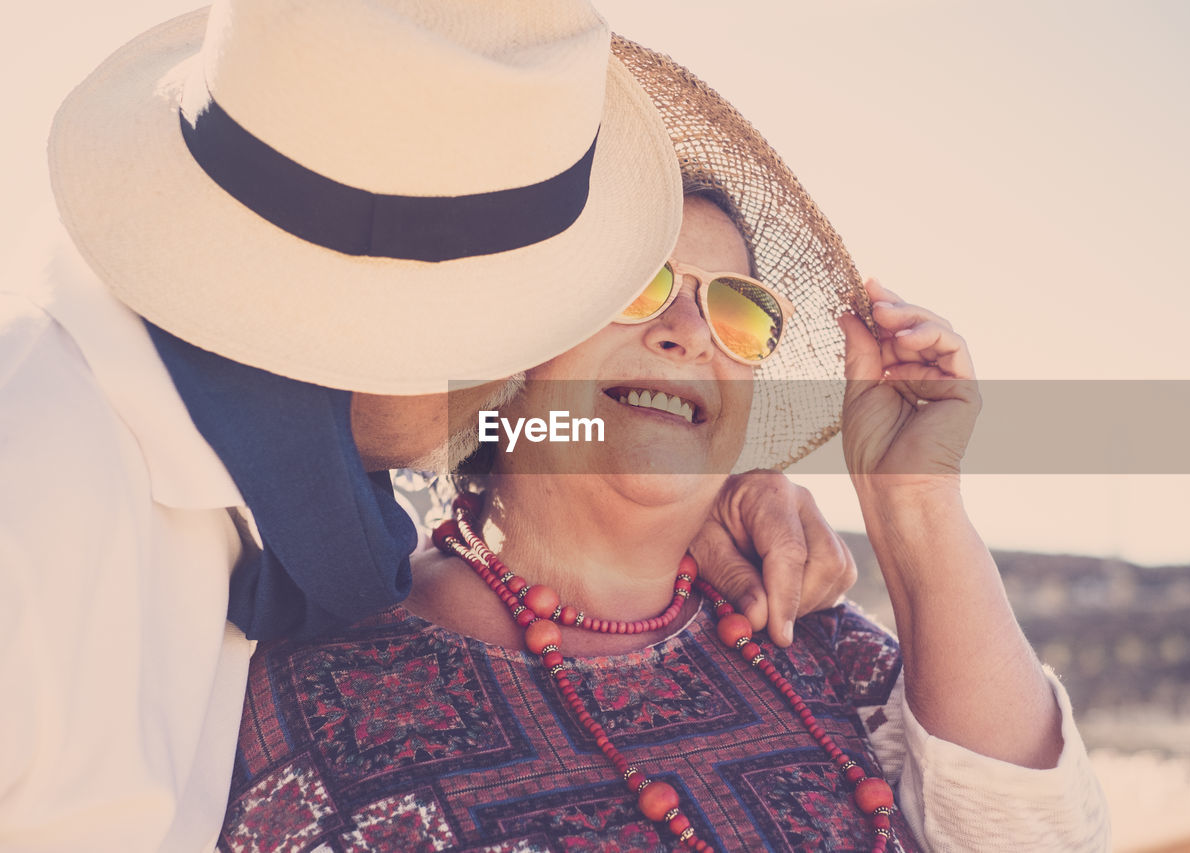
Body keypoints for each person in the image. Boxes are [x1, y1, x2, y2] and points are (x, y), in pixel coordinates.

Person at [215, 39, 1109, 852]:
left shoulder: (823, 649)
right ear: (520, 344)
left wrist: (913, 497)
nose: (689, 330)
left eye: (738, 308)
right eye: (637, 282)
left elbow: (1042, 840)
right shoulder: (303, 686)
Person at [0, 4, 856, 850]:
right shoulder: (33, 493)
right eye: (579, 299)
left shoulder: (289, 503)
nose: (513, 368)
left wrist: (681, 503)